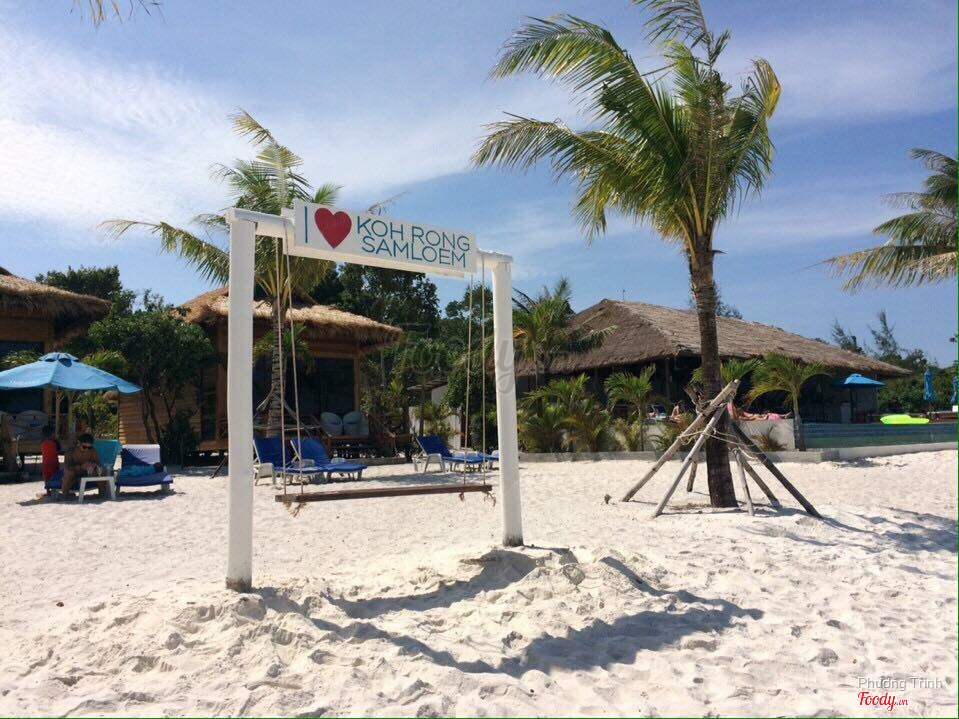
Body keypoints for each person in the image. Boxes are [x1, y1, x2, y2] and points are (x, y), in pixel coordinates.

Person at [62, 433, 102, 499]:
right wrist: (81, 467)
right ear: (79, 443)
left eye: (89, 447)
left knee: (100, 472)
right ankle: (65, 495)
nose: (87, 449)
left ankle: (101, 494)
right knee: (68, 473)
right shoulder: (71, 452)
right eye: (84, 447)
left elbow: (98, 463)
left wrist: (93, 465)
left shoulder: (92, 451)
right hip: (74, 472)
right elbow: (67, 467)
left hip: (87, 472)